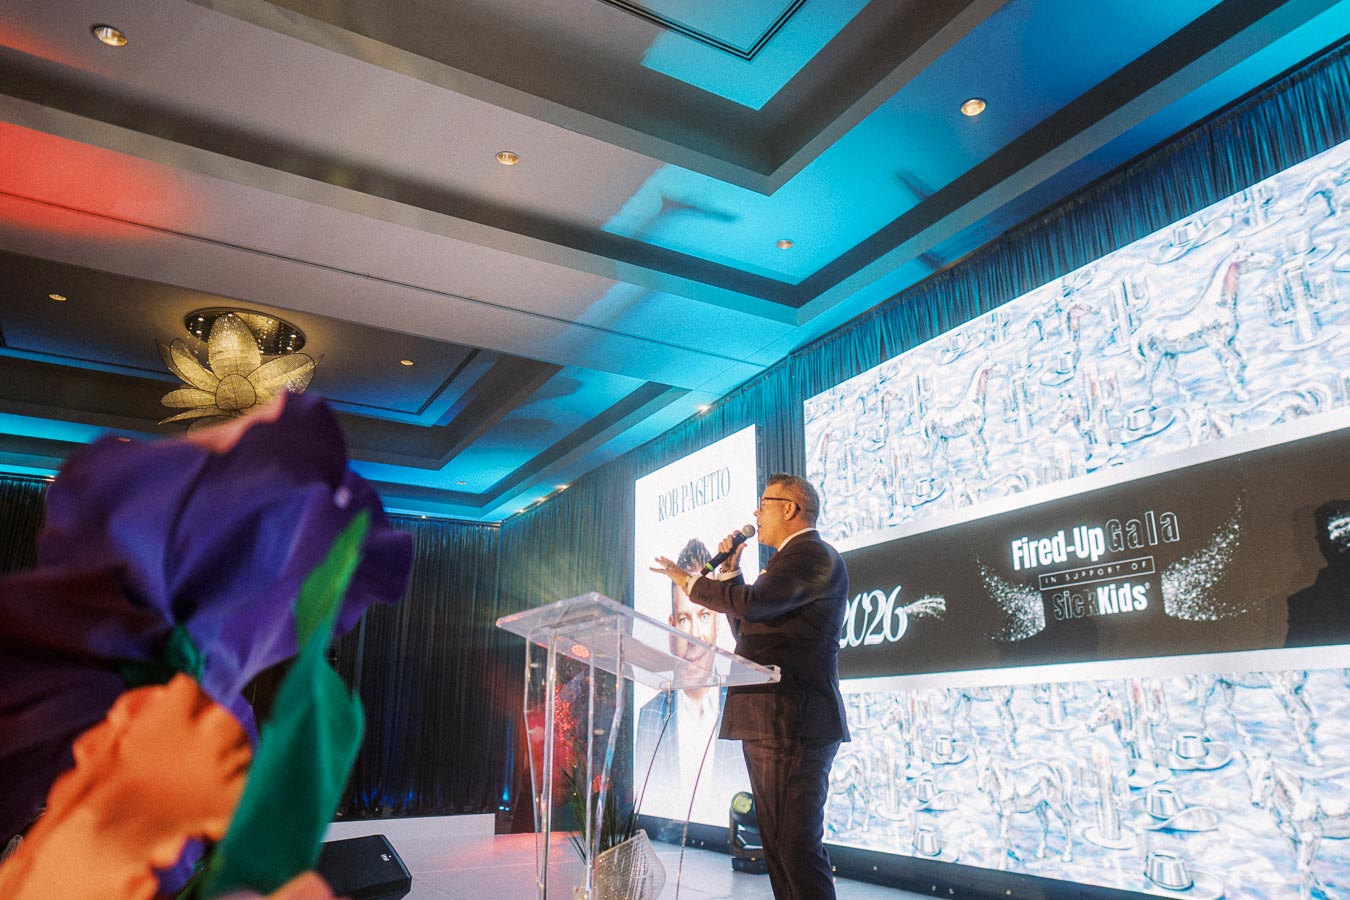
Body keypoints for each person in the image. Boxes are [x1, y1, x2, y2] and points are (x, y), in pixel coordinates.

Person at [652, 474, 849, 900]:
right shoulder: (783, 566)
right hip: (767, 721)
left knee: (797, 847)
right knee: (776, 847)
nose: (756, 514)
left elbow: (755, 605)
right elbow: (748, 633)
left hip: (795, 721)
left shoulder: (813, 556)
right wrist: (731, 572)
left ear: (791, 509)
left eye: (764, 503)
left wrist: (688, 582)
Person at [635, 538, 746, 823]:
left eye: (704, 616)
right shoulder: (649, 717)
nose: (695, 636)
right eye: (684, 619)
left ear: (718, 622)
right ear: (671, 628)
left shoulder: (743, 710)